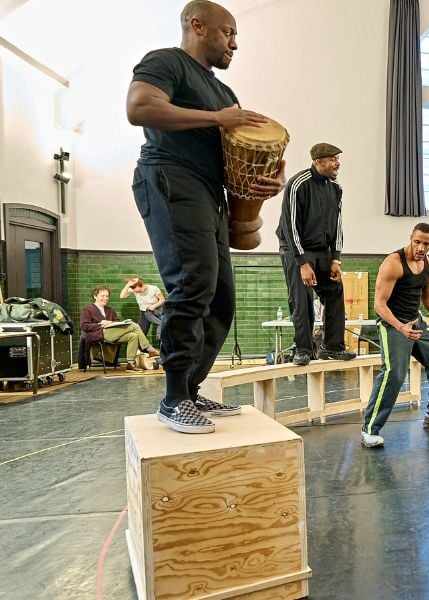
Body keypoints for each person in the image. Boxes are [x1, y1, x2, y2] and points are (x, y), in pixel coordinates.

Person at [126, 0, 284, 433]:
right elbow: (139, 107)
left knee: (221, 298)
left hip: (208, 191)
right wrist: (217, 118)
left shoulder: (225, 93)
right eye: (228, 33)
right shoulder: (166, 62)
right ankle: (173, 398)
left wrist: (266, 184)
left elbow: (233, 158)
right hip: (170, 176)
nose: (234, 43)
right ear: (197, 25)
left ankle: (191, 389)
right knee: (192, 284)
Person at [360, 223, 429, 447]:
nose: (421, 247)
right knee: (394, 373)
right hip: (391, 323)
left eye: (427, 243)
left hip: (416, 323)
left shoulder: (428, 267)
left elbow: (427, 300)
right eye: (418, 242)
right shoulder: (393, 263)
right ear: (411, 238)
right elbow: (379, 305)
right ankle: (370, 429)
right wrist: (399, 327)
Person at [277, 142, 354, 365]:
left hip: (322, 249)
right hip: (294, 246)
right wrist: (302, 262)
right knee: (301, 295)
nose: (337, 163)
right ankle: (302, 349)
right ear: (318, 162)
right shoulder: (297, 184)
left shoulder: (335, 187)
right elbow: (290, 226)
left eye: (337, 159)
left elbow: (338, 224)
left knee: (334, 290)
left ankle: (332, 346)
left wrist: (335, 258)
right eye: (332, 159)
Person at [81, 285, 159, 372]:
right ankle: (149, 349)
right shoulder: (88, 309)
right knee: (134, 325)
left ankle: (130, 363)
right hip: (99, 334)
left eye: (107, 296)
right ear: (95, 296)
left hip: (112, 333)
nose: (105, 298)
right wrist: (100, 323)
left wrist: (113, 323)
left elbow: (116, 321)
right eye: (102, 296)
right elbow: (84, 326)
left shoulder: (109, 310)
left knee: (133, 336)